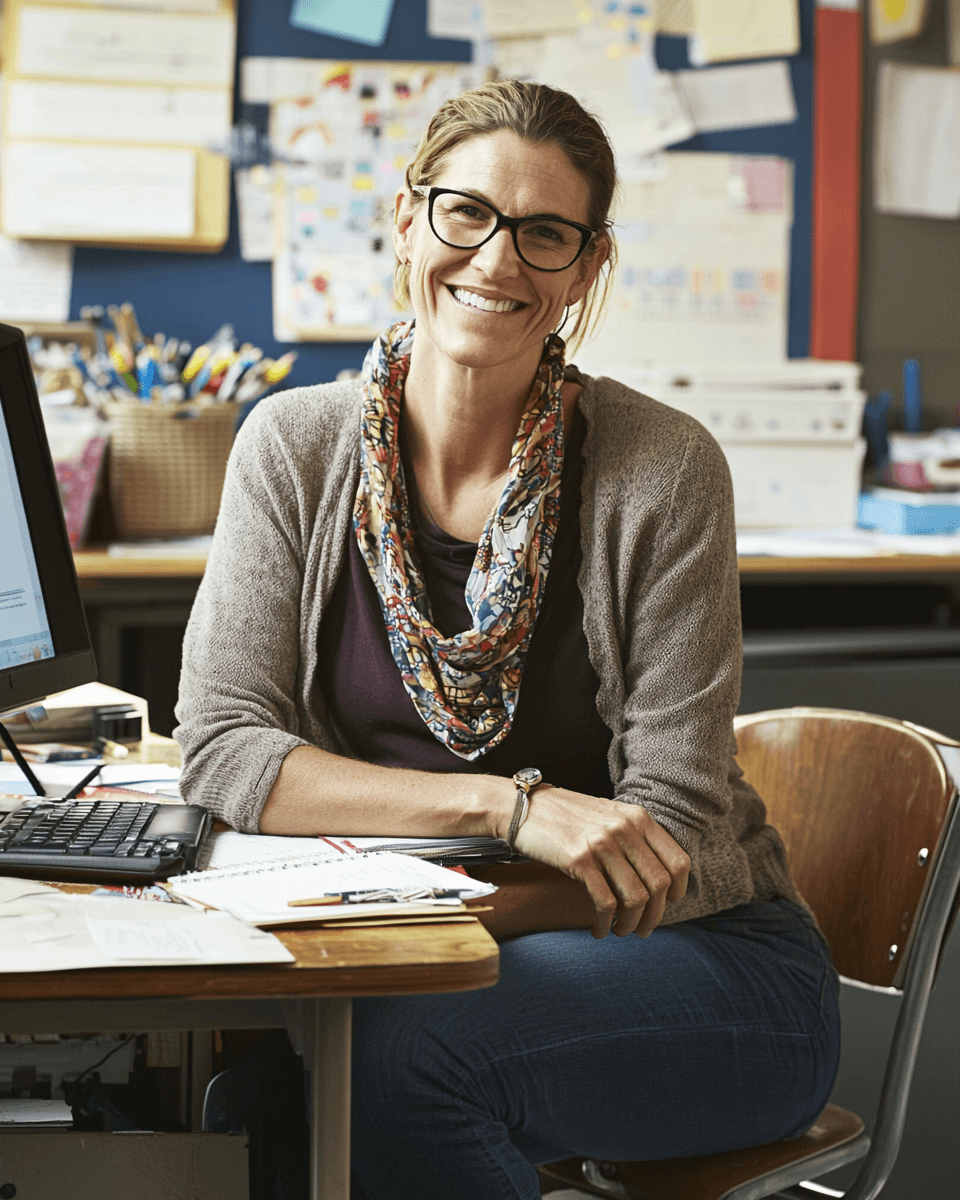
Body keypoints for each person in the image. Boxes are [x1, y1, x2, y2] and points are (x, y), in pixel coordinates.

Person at [175, 79, 840, 1200]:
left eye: (545, 234)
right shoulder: (292, 447)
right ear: (407, 221)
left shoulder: (661, 470)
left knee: (398, 1070)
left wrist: (418, 924)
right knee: (247, 1109)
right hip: (443, 936)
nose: (497, 260)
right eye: (466, 213)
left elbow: (663, 843)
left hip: (703, 961)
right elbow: (226, 750)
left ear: (585, 268)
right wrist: (507, 811)